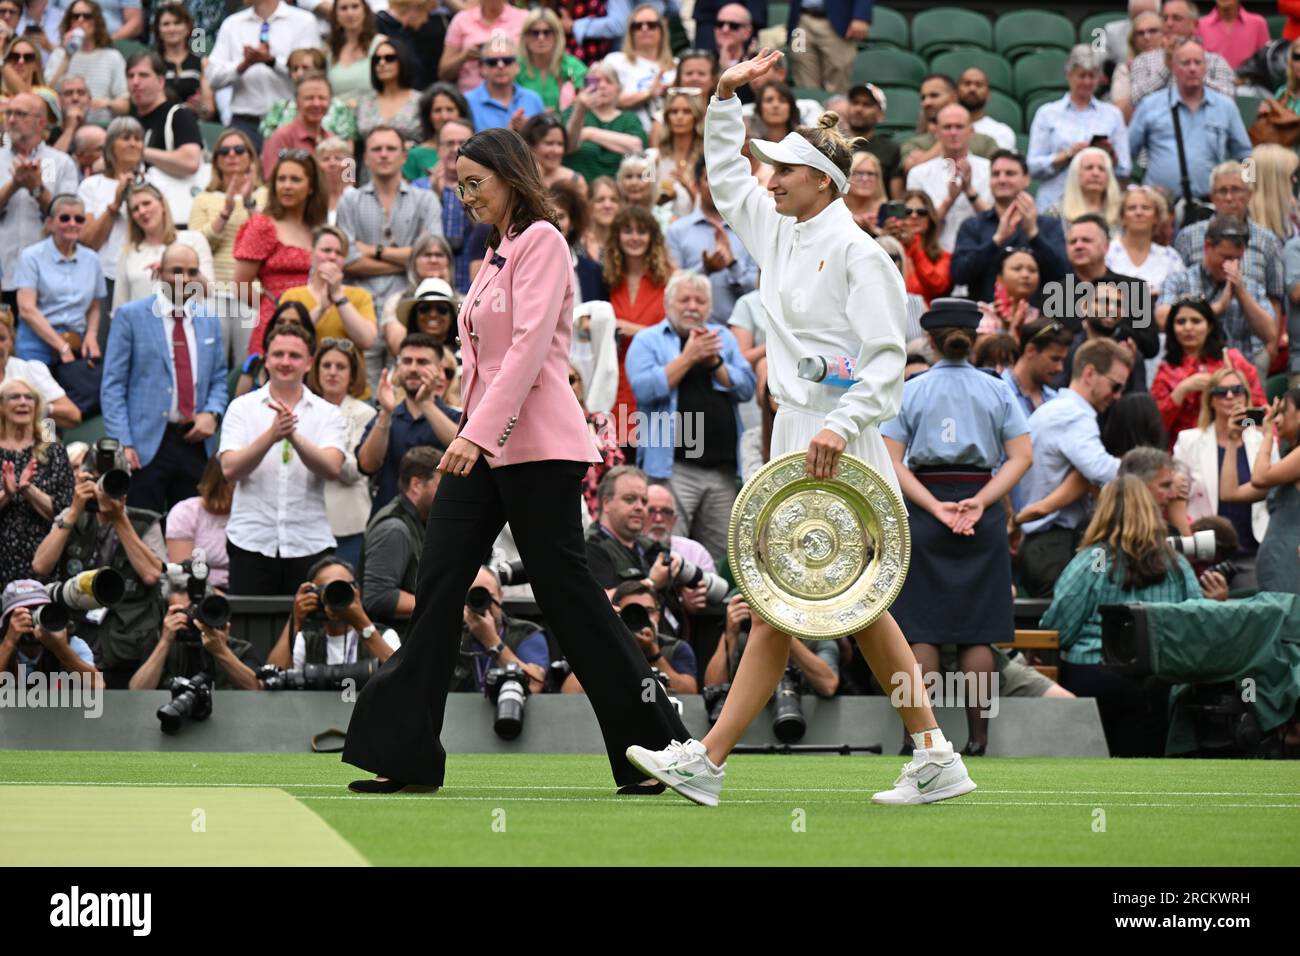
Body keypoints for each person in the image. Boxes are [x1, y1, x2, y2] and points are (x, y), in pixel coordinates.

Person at [626, 50, 977, 807]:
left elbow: (887, 360)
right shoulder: (779, 229)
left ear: (825, 180)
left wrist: (843, 421)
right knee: (839, 605)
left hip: (839, 442)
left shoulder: (860, 253)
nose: (771, 177)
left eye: (786, 169)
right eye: (773, 167)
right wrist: (723, 97)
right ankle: (934, 753)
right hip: (795, 435)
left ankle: (710, 760)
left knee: (789, 603)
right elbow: (725, 178)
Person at [343, 125, 693, 794]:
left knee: (570, 599)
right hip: (485, 445)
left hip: (536, 448)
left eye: (476, 182)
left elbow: (532, 348)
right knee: (441, 585)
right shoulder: (494, 251)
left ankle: (656, 749)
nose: (465, 194)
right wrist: (472, 430)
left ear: (512, 177)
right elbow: (486, 356)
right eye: (460, 184)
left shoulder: (543, 242)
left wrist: (477, 434)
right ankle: (409, 754)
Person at [881, 299, 1032, 756]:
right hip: (979, 510)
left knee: (919, 631)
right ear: (975, 339)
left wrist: (933, 507)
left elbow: (890, 460)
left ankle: (916, 737)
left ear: (930, 338)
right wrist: (980, 502)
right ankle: (978, 738)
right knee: (976, 632)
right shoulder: (997, 389)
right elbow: (1021, 456)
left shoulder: (911, 389)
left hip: (924, 508)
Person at [1041, 475, 1215, 755]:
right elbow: (1194, 621)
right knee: (1147, 765)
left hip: (1093, 674)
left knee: (1090, 766)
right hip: (1159, 678)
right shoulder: (1176, 563)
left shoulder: (1090, 561)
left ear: (1103, 511)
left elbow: (1060, 626)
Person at [625, 270, 755, 563]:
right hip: (674, 468)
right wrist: (688, 357)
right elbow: (644, 390)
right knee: (667, 553)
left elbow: (747, 388)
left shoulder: (722, 338)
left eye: (700, 301)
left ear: (709, 307)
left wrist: (715, 363)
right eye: (685, 299)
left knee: (720, 556)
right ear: (669, 304)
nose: (692, 306)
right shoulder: (648, 339)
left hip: (722, 471)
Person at [218, 322, 346, 596]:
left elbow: (332, 467)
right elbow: (229, 469)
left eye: (295, 356)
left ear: (309, 363)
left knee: (308, 633)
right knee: (250, 631)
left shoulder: (328, 413)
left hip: (309, 542)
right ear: (266, 359)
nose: (285, 362)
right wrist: (272, 435)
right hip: (251, 542)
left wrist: (293, 436)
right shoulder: (241, 407)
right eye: (278, 355)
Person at [100, 243, 227, 514]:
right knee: (142, 532)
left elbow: (218, 378)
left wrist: (213, 414)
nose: (185, 279)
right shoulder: (130, 316)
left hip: (194, 442)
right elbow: (112, 385)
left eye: (192, 272)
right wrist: (124, 442)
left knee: (192, 535)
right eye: (176, 271)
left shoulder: (209, 320)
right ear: (159, 273)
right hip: (145, 447)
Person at [31, 444, 166, 687]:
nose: (104, 488)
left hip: (127, 646)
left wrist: (119, 519)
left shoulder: (145, 521)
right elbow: (41, 565)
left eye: (113, 480)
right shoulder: (72, 516)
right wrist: (73, 510)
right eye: (98, 480)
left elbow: (151, 575)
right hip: (76, 638)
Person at [1016, 339, 1134, 597]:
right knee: (1070, 625)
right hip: (1053, 544)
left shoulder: (1062, 410)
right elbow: (1100, 469)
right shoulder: (1072, 414)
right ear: (1090, 373)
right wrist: (1148, 468)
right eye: (1115, 386)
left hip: (1051, 542)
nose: (1116, 397)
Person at [337, 124, 444, 388]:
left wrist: (374, 250)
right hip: (362, 309)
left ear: (404, 156)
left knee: (410, 386)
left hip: (409, 307)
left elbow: (432, 255)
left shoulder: (426, 199)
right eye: (376, 149)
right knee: (365, 387)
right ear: (366, 157)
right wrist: (408, 259)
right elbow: (349, 260)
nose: (384, 154)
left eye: (390, 148)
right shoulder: (350, 201)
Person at [1172, 366, 1273, 590]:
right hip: (1206, 554)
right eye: (1221, 391)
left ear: (1246, 397)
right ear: (1210, 399)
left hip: (1252, 551)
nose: (1229, 397)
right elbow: (1176, 497)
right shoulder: (1189, 441)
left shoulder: (1262, 442)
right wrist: (1191, 544)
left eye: (1237, 390)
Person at [1159, 216, 1279, 384]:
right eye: (1225, 257)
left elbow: (1270, 334)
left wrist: (1241, 293)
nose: (1231, 265)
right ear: (1208, 246)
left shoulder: (1250, 287)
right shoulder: (1180, 280)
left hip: (1239, 377)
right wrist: (1217, 308)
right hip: (1190, 375)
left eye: (1237, 259)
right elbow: (1162, 318)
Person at [1128, 38, 1252, 199]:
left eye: (1197, 63)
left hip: (1210, 203)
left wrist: (1250, 189)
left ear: (1205, 67)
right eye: (1185, 63)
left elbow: (1246, 155)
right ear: (1173, 67)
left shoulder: (1225, 107)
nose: (1192, 68)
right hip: (1160, 206)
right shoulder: (1150, 106)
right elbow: (1126, 151)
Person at [233, 150, 326, 355]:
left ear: (311, 187)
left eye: (295, 179)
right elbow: (240, 285)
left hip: (316, 321)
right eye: (281, 179)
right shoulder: (262, 225)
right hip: (275, 324)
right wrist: (275, 308)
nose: (286, 186)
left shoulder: (318, 229)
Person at [187, 128, 266, 364]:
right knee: (211, 364)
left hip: (252, 293)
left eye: (239, 150)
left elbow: (267, 240)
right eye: (224, 151)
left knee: (249, 363)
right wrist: (226, 212)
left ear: (250, 157)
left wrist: (249, 203)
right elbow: (195, 246)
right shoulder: (204, 198)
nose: (232, 155)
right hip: (212, 291)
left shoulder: (265, 195)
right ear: (217, 161)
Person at [357, 332, 460, 511]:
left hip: (443, 525)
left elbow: (463, 451)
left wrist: (426, 404)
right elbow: (367, 465)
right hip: (391, 525)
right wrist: (385, 414)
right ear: (398, 368)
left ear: (439, 370)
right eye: (406, 361)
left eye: (422, 362)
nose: (413, 368)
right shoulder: (385, 416)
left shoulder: (455, 417)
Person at [951, 150, 1068, 306]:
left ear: (1026, 180)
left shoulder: (1048, 226)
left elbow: (1062, 275)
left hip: (1037, 322)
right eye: (996, 174)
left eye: (1010, 173)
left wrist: (1033, 234)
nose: (1002, 179)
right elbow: (960, 275)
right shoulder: (972, 225)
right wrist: (996, 241)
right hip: (983, 321)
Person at [0, 91, 79, 317]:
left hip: (47, 278)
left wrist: (37, 189)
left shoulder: (60, 162)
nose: (12, 120)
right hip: (3, 274)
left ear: (41, 122)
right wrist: (13, 185)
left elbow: (69, 217)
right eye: (9, 113)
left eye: (20, 114)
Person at [1026, 46, 1129, 215]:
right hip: (1054, 202)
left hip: (1099, 206)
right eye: (1081, 75)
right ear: (1069, 76)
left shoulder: (1112, 115)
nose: (1087, 82)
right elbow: (1032, 166)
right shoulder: (1047, 113)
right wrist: (1067, 155)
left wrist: (1109, 156)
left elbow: (1124, 169)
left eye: (1092, 76)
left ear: (1099, 78)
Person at [1152, 292, 1265, 446]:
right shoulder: (1166, 370)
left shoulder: (1233, 360)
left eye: (1196, 321)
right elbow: (1155, 428)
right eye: (1180, 322)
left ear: (1210, 326)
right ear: (1172, 328)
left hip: (1235, 443)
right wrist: (1182, 390)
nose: (1188, 327)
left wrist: (1230, 405)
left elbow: (1259, 412)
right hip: (1186, 451)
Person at [206, 0, 320, 151]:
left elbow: (312, 74)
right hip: (245, 123)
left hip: (289, 121)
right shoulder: (232, 24)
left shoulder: (303, 21)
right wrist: (242, 66)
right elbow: (212, 78)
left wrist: (272, 62)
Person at [277, 225, 379, 383]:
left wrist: (339, 297)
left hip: (350, 391)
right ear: (312, 254)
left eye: (339, 253)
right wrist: (321, 309)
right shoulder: (292, 296)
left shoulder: (360, 296)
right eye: (326, 250)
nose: (332, 257)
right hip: (303, 386)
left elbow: (366, 340)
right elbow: (285, 339)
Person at [14, 194, 104, 367]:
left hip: (76, 343)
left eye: (78, 219)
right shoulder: (31, 257)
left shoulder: (92, 260)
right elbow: (27, 309)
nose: (72, 224)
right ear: (50, 223)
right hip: (36, 343)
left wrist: (91, 334)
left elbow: (95, 305)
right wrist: (61, 346)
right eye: (64, 218)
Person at [0, 377, 73, 590]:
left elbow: (66, 510)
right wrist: (7, 493)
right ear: (2, 406)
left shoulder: (52, 448)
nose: (23, 402)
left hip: (44, 558)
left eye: (29, 397)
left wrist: (28, 490)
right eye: (15, 397)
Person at [665, 156, 757, 324]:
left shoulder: (749, 230)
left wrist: (732, 264)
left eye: (723, 179)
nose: (717, 185)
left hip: (741, 338)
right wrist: (705, 269)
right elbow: (671, 289)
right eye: (709, 179)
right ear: (696, 185)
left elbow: (757, 292)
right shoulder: (677, 231)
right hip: (689, 331)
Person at [308, 335, 374, 567]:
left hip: (348, 525)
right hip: (305, 522)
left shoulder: (364, 413)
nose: (332, 372)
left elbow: (353, 471)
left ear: (352, 375)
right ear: (315, 371)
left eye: (341, 367)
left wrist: (316, 444)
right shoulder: (303, 409)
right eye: (326, 366)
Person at [265, 556, 399, 670]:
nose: (335, 595)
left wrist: (362, 623)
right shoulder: (305, 641)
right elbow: (270, 678)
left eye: (342, 587)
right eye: (327, 590)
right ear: (313, 594)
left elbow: (403, 678)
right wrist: (294, 621)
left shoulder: (384, 636)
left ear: (357, 592)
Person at [362, 445, 437, 638]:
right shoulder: (394, 529)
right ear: (416, 485)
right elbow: (378, 597)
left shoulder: (418, 521)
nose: (447, 494)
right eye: (441, 485)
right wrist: (442, 607)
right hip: (391, 644)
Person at [130, 586, 261, 691]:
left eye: (197, 612)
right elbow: (137, 691)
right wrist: (165, 642)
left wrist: (221, 651)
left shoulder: (239, 649)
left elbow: (255, 689)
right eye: (182, 613)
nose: (191, 619)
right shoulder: (160, 643)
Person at [110, 183, 214, 311]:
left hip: (187, 324)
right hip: (143, 327)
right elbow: (119, 305)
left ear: (162, 205)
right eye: (135, 209)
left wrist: (176, 269)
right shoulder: (129, 252)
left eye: (146, 203)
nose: (142, 211)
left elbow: (209, 291)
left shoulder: (193, 239)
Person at [905, 103, 992, 253]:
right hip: (934, 255)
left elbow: (995, 221)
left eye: (959, 127)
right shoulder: (918, 173)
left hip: (980, 252)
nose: (953, 132)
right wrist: (949, 200)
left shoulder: (990, 170)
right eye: (947, 127)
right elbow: (917, 225)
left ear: (971, 131)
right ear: (937, 132)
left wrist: (970, 192)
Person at [76, 115, 142, 310]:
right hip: (103, 277)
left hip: (142, 276)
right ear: (111, 146)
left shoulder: (156, 184)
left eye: (137, 139)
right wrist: (115, 203)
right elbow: (88, 241)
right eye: (126, 138)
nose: (133, 144)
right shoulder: (91, 186)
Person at [1130, 1, 1236, 107]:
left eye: (1176, 18)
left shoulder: (1215, 61)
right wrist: (1166, 67)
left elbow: (1228, 101)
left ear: (1194, 25)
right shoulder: (1144, 60)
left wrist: (1195, 75)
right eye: (1165, 18)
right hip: (1158, 121)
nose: (1169, 24)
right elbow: (1136, 100)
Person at [0, 578, 103, 688]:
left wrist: (60, 648)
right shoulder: (3, 645)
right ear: (7, 620)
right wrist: (9, 642)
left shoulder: (72, 644)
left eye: (37, 610)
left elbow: (98, 686)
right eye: (23, 613)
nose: (31, 618)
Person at [43, 1, 128, 126]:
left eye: (87, 16)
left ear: (96, 21)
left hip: (101, 125)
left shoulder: (113, 57)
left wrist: (106, 103)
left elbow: (124, 105)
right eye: (75, 16)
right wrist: (67, 56)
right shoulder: (60, 54)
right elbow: (47, 96)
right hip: (64, 124)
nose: (80, 20)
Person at [562, 62, 647, 183]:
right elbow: (567, 146)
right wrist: (580, 109)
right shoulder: (573, 113)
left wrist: (589, 133)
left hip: (620, 193)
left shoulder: (629, 119)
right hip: (578, 190)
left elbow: (637, 147)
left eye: (609, 81)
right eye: (596, 81)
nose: (602, 86)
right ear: (586, 86)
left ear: (619, 89)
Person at [900, 75, 999, 176]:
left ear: (953, 97)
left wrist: (923, 158)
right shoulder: (914, 143)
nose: (926, 102)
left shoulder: (984, 142)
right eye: (923, 98)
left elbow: (1001, 173)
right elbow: (910, 171)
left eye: (934, 95)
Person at [258, 48, 359, 147]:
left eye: (305, 68)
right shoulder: (279, 108)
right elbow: (268, 150)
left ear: (321, 71)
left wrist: (346, 163)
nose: (299, 73)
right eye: (295, 69)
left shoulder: (339, 108)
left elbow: (348, 154)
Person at [1252, 388, 1300, 593]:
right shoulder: (1289, 460)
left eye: (1282, 412)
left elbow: (1260, 477)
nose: (1277, 419)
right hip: (1277, 562)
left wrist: (1267, 435)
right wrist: (1234, 439)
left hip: (1291, 561)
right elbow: (1230, 493)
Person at [603, 3, 673, 136]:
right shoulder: (615, 61)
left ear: (662, 30)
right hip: (626, 136)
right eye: (638, 26)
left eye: (651, 25)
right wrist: (648, 93)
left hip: (669, 140)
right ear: (630, 32)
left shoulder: (675, 66)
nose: (645, 29)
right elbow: (606, 100)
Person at [165, 455, 233, 590]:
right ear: (219, 483)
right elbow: (183, 576)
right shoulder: (185, 512)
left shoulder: (253, 515)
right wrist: (223, 600)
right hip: (197, 592)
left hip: (242, 591)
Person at [0, 319, 80, 429]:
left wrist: (39, 407)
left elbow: (73, 415)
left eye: (2, 338)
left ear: (12, 341)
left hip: (35, 441)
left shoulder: (29, 370)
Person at [1107, 185, 1184, 298]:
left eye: (1146, 208)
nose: (1139, 213)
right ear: (1122, 217)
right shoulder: (1107, 252)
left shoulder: (1171, 257)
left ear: (1156, 217)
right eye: (1132, 208)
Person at [260, 70, 336, 181]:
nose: (316, 104)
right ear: (297, 101)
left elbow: (350, 180)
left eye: (322, 98)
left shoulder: (334, 141)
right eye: (309, 98)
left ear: (330, 101)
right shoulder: (280, 138)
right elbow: (272, 182)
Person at [439, 0, 527, 93]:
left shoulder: (523, 18)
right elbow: (444, 72)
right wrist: (464, 57)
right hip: (470, 94)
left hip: (515, 95)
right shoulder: (461, 20)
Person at [785, 0, 867, 94]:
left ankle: (836, 108)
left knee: (838, 74)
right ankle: (809, 107)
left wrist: (861, 15)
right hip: (801, 19)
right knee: (803, 73)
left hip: (837, 20)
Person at [466, 35, 543, 133]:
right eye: (492, 62)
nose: (500, 66)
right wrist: (509, 134)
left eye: (507, 61)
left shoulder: (533, 99)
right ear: (482, 68)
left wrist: (529, 130)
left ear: (517, 66)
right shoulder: (468, 102)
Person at [517, 6, 587, 112]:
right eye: (535, 33)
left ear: (557, 36)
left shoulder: (572, 66)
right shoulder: (515, 67)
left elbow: (588, 98)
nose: (541, 38)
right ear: (525, 37)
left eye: (547, 32)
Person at [154, 2, 214, 119]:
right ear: (158, 30)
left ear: (188, 28)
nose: (172, 28)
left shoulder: (202, 63)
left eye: (177, 23)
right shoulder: (152, 63)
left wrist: (200, 106)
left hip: (193, 123)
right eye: (166, 24)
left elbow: (209, 110)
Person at [357, 37, 422, 145]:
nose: (382, 63)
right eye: (377, 59)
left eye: (389, 58)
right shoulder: (364, 101)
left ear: (402, 60)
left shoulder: (420, 101)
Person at [404, 82, 472, 185]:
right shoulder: (414, 155)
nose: (444, 116)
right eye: (437, 110)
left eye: (450, 109)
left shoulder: (473, 150)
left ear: (460, 112)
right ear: (428, 116)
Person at [376, 0, 448, 92]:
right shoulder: (379, 26)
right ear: (415, 8)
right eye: (426, 13)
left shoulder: (406, 31)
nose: (426, 20)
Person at [326, 0, 381, 110]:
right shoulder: (330, 51)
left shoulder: (381, 45)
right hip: (338, 119)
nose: (350, 13)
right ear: (336, 15)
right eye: (344, 8)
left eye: (355, 7)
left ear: (365, 10)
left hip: (372, 116)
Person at [1112, 9, 1165, 121]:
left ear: (1163, 34)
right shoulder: (1124, 69)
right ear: (1133, 40)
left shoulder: (1180, 60)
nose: (1146, 37)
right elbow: (1119, 113)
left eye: (1153, 31)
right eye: (1140, 33)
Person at [977, 247, 1040, 336]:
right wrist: (1004, 328)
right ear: (1000, 278)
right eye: (1017, 269)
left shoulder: (1041, 317)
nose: (1026, 275)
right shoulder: (982, 313)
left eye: (1032, 270)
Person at [1055, 147, 1122, 230]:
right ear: (1076, 174)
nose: (1096, 173)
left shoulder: (1122, 211)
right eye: (1089, 168)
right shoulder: (1057, 211)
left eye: (1101, 169)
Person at [957, 67, 1015, 152]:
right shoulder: (943, 130)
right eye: (967, 83)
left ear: (988, 94)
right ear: (956, 91)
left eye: (979, 84)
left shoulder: (1001, 132)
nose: (972, 89)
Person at [843, 149, 884, 234]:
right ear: (848, 177)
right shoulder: (836, 207)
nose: (865, 179)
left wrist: (874, 231)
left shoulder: (886, 210)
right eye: (859, 173)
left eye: (870, 174)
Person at [581, 175, 622, 261]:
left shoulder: (627, 244)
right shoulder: (578, 244)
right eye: (600, 200)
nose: (607, 205)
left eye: (613, 200)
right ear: (589, 205)